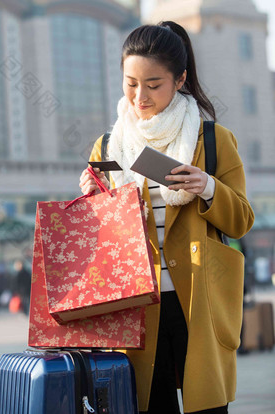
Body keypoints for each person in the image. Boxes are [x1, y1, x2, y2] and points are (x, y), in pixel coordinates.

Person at [79, 22, 254, 414]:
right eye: (131, 83)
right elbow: (97, 239)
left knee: (205, 406)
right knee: (146, 405)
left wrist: (208, 187)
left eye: (153, 84)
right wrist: (94, 201)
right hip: (136, 307)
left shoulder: (211, 139)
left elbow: (242, 219)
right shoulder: (108, 145)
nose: (140, 96)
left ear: (180, 79)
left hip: (199, 301)